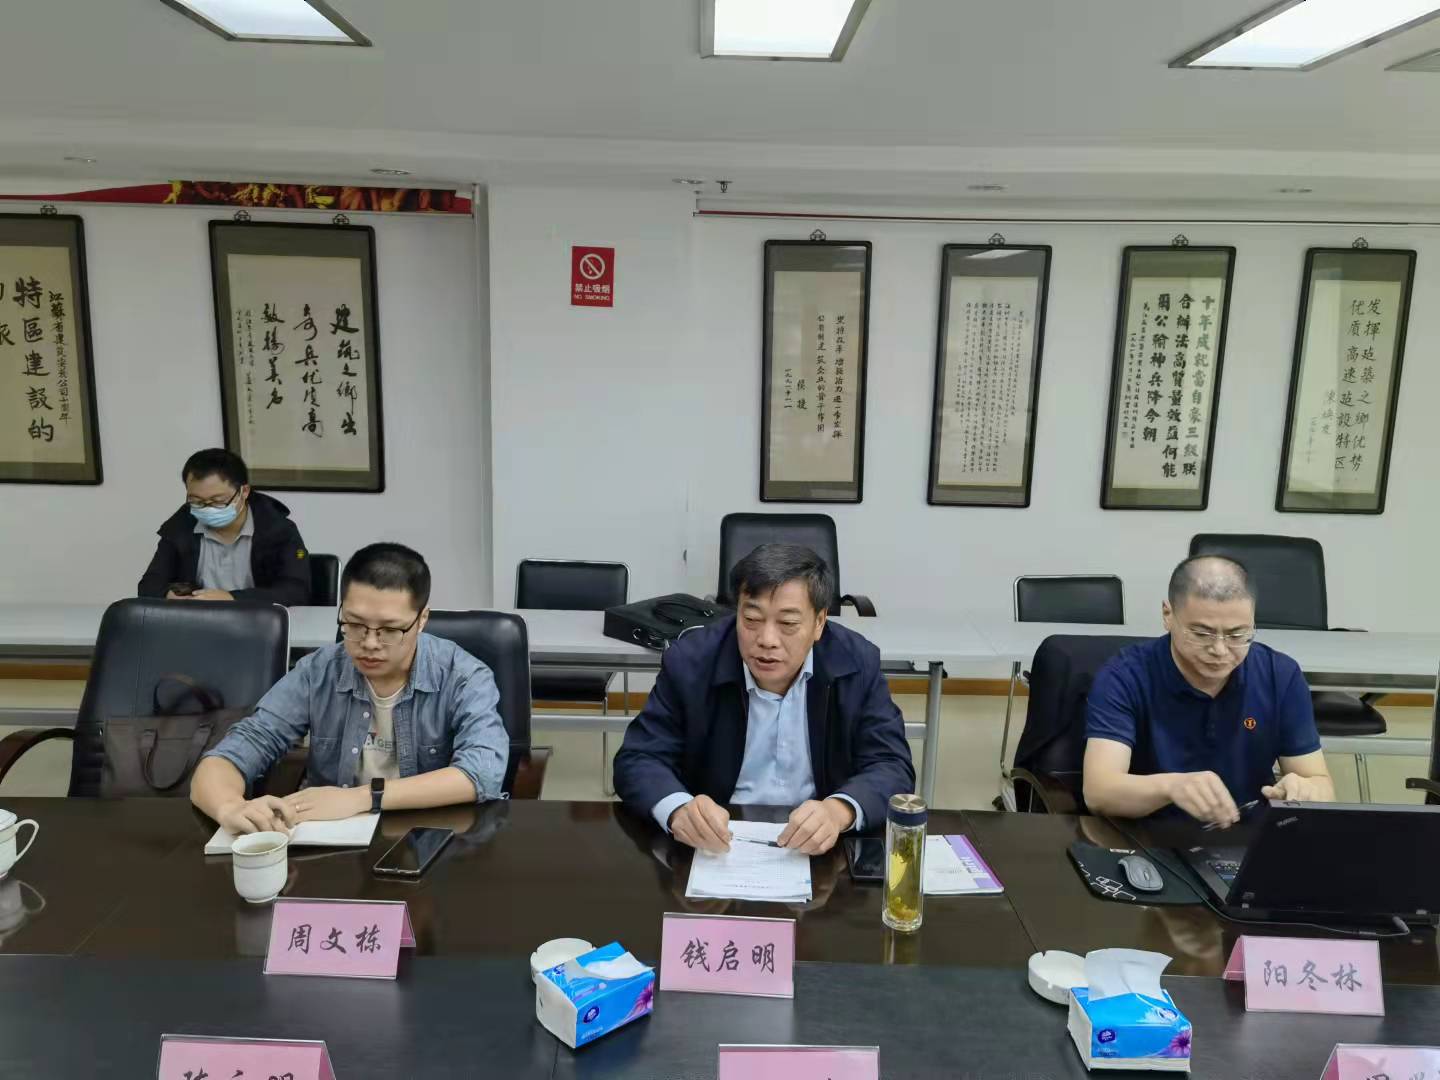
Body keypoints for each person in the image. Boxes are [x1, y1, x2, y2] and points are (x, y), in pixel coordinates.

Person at [613, 543, 915, 855]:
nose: (767, 640)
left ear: (819, 623)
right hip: (715, 845)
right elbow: (639, 758)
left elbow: (891, 765)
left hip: (820, 847)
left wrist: (838, 811)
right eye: (751, 619)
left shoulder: (857, 662)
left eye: (788, 624)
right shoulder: (692, 661)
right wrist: (679, 810)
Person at [190, 542, 509, 834]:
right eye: (354, 624)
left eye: (389, 629)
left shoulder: (463, 676)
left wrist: (362, 797)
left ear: (422, 619)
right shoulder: (318, 671)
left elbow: (482, 772)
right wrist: (229, 807)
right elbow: (236, 750)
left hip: (428, 836)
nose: (369, 643)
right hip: (329, 842)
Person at [1083, 554, 1334, 827]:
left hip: (1249, 836)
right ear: (1168, 615)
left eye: (1237, 635)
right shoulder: (1124, 677)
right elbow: (1099, 792)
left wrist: (1306, 790)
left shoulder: (1280, 676)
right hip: (1150, 836)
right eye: (1202, 634)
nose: (1220, 650)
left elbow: (1320, 784)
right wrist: (1171, 787)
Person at [138, 448, 311, 604]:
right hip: (196, 621)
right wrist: (167, 595)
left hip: (259, 621)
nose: (207, 508)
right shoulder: (180, 527)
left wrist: (232, 598)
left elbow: (296, 591)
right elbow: (149, 584)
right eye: (196, 501)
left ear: (244, 492)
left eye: (218, 501)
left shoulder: (278, 530)